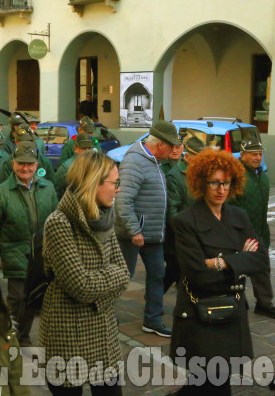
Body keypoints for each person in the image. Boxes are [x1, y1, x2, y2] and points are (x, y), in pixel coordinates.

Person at [170, 149, 268, 396]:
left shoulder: (238, 216)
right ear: (201, 182)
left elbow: (260, 260)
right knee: (210, 379)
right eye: (214, 182)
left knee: (216, 378)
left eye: (226, 182)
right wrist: (239, 261)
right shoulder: (185, 220)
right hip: (200, 312)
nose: (220, 189)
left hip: (232, 308)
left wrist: (220, 263)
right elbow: (197, 275)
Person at [41, 151, 129, 395]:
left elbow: (125, 274)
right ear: (94, 183)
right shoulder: (59, 222)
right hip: (68, 330)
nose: (118, 189)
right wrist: (108, 278)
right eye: (115, 183)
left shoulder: (106, 218)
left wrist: (98, 281)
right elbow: (80, 287)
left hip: (103, 329)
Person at [0, 141, 58, 345]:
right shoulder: (2, 191)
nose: (25, 168)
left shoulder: (48, 188)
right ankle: (7, 334)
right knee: (17, 297)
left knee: (33, 298)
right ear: (13, 164)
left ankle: (22, 336)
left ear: (36, 165)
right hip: (14, 252)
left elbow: (57, 220)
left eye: (30, 164)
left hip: (42, 254)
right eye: (21, 163)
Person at [114, 120, 181, 338]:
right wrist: (134, 230)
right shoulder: (135, 161)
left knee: (158, 275)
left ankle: (153, 320)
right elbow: (123, 200)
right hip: (133, 234)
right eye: (172, 146)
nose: (175, 150)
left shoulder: (154, 161)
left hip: (152, 234)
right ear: (160, 144)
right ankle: (104, 316)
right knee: (122, 277)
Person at [230, 138, 275, 320]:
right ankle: (235, 302)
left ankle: (264, 303)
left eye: (260, 154)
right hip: (239, 232)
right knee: (237, 269)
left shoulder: (262, 174)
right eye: (254, 154)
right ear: (243, 155)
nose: (258, 157)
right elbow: (228, 206)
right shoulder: (235, 175)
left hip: (259, 230)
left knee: (262, 268)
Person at [163, 136, 204, 293]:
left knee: (184, 273)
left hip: (195, 235)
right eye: (198, 158)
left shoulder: (200, 173)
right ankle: (154, 298)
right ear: (187, 157)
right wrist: (187, 230)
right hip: (179, 237)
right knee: (176, 271)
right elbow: (172, 211)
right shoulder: (175, 176)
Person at [53, 132, 94, 200]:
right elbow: (57, 194)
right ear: (75, 149)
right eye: (83, 148)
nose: (87, 151)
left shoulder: (94, 164)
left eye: (89, 148)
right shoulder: (66, 169)